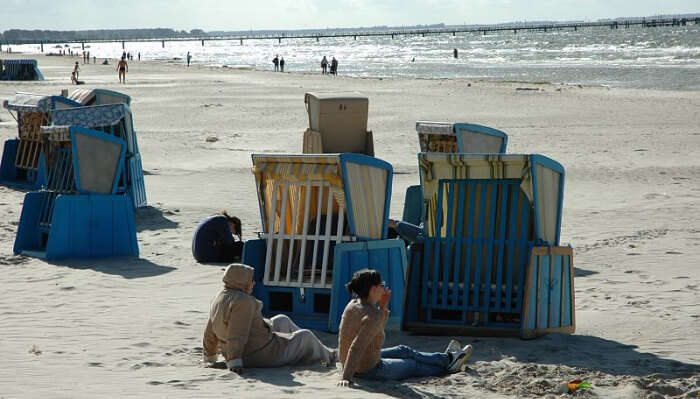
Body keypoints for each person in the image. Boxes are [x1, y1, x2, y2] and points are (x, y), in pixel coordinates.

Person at [337, 269, 472, 385]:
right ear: (373, 289)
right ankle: (449, 367)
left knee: (403, 350)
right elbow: (356, 347)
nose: (384, 288)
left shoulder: (353, 304)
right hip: (368, 369)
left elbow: (374, 331)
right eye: (381, 285)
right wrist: (346, 377)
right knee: (412, 365)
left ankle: (448, 358)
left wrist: (382, 308)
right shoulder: (373, 315)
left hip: (356, 362)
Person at [202, 263, 337, 373]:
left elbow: (210, 330)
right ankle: (330, 357)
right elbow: (238, 333)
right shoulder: (243, 301)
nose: (253, 283)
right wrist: (234, 361)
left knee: (282, 320)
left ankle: (324, 351)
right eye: (251, 280)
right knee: (306, 336)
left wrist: (210, 356)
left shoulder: (220, 297)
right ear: (241, 281)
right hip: (259, 354)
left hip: (249, 347)